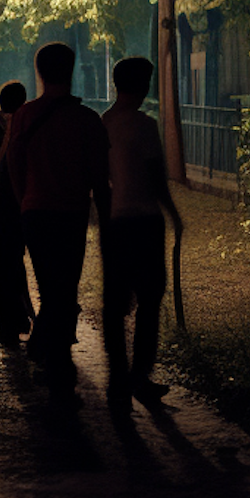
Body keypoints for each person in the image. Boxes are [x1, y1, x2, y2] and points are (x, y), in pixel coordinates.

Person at [3, 42, 111, 408]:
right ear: (73, 69)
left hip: (35, 210)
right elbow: (100, 176)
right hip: (72, 212)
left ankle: (51, 357)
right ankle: (56, 361)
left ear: (39, 72)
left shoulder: (24, 116)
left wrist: (24, 200)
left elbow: (14, 165)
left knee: (51, 288)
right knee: (65, 287)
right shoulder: (87, 120)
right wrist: (106, 216)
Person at [101, 57, 183, 413]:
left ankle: (118, 380)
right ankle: (140, 376)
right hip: (146, 221)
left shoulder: (103, 124)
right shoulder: (145, 126)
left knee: (115, 305)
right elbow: (156, 179)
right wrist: (175, 216)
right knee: (149, 302)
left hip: (115, 222)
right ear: (141, 84)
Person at [0, 80, 33, 345]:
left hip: (3, 199)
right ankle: (29, 317)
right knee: (24, 262)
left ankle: (9, 325)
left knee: (4, 263)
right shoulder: (33, 122)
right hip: (30, 197)